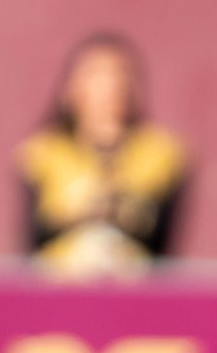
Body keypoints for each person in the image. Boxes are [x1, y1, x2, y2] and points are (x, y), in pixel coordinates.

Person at [19, 33, 189, 277]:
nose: (111, 85)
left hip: (133, 289)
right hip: (61, 288)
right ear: (70, 87)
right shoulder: (43, 153)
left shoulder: (162, 153)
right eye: (97, 75)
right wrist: (81, 212)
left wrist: (120, 211)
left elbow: (163, 245)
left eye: (120, 74)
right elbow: (32, 241)